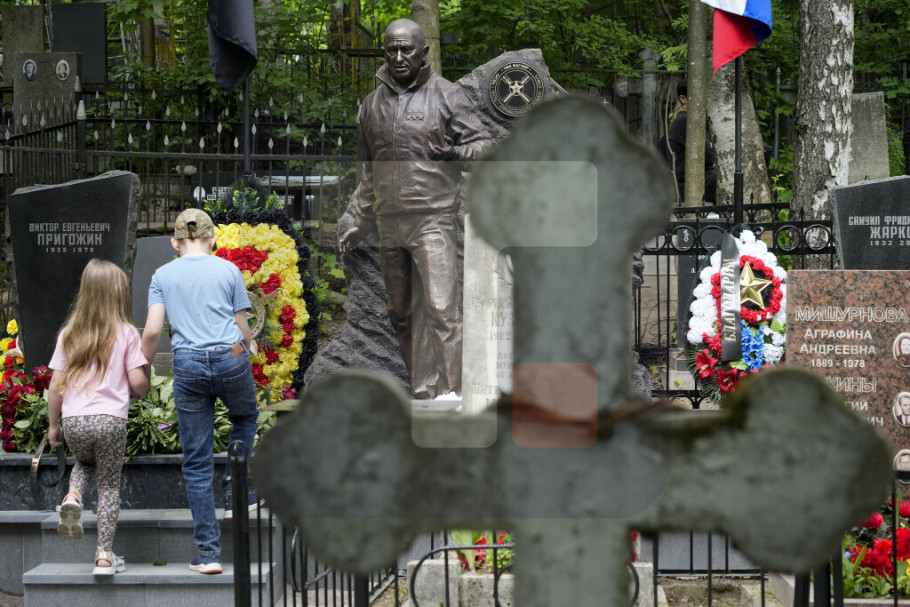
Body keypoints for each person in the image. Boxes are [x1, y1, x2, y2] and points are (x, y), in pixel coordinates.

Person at [338, 18, 492, 399]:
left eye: (406, 49)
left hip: (432, 219)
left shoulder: (447, 95)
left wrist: (454, 152)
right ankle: (424, 391)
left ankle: (453, 393)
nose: (398, 56)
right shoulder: (371, 106)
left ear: (423, 53)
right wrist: (360, 221)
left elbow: (486, 148)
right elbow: (369, 173)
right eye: (391, 49)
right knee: (399, 312)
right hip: (389, 223)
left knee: (442, 310)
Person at [141, 208, 260, 575]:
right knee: (245, 417)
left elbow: (152, 331)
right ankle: (236, 492)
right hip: (229, 357)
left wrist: (141, 369)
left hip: (188, 363)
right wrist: (248, 349)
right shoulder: (229, 270)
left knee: (196, 460)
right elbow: (242, 326)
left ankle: (208, 554)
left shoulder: (162, 275)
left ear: (174, 243)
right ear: (213, 239)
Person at [47, 259, 150, 576]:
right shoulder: (126, 333)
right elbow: (137, 382)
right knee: (108, 487)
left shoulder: (69, 333)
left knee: (84, 463)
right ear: (118, 294)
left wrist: (53, 425)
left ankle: (73, 496)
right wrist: (143, 388)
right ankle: (104, 556)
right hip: (110, 421)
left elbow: (55, 385)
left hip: (75, 421)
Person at [664, 79, 717, 203]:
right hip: (691, 184)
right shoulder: (686, 121)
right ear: (683, 99)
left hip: (697, 179)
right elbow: (708, 157)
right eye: (697, 96)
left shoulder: (687, 120)